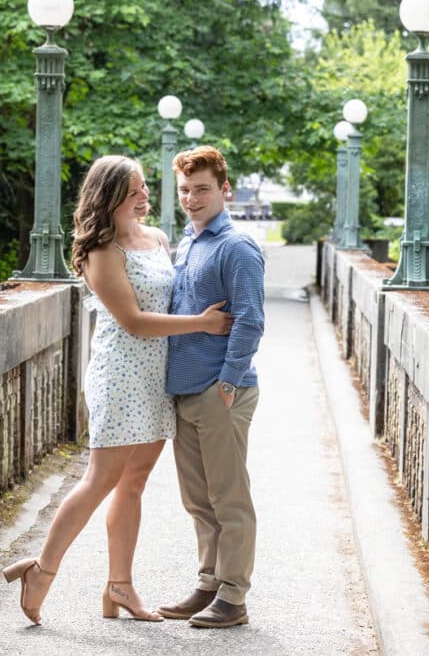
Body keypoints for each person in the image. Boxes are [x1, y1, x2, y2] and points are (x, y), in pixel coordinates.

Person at [2, 155, 233, 625]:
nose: (145, 197)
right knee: (99, 480)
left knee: (134, 484)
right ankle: (41, 571)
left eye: (145, 187)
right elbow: (133, 320)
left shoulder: (158, 239)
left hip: (156, 378)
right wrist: (204, 324)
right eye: (134, 191)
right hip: (120, 376)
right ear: (109, 196)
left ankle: (120, 587)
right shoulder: (101, 250)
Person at [157, 146, 265, 629]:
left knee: (229, 498)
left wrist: (228, 382)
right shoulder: (187, 242)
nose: (191, 198)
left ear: (225, 190)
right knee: (198, 501)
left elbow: (250, 320)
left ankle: (234, 596)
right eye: (184, 190)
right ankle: (209, 582)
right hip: (186, 392)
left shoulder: (236, 247)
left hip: (220, 392)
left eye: (201, 189)